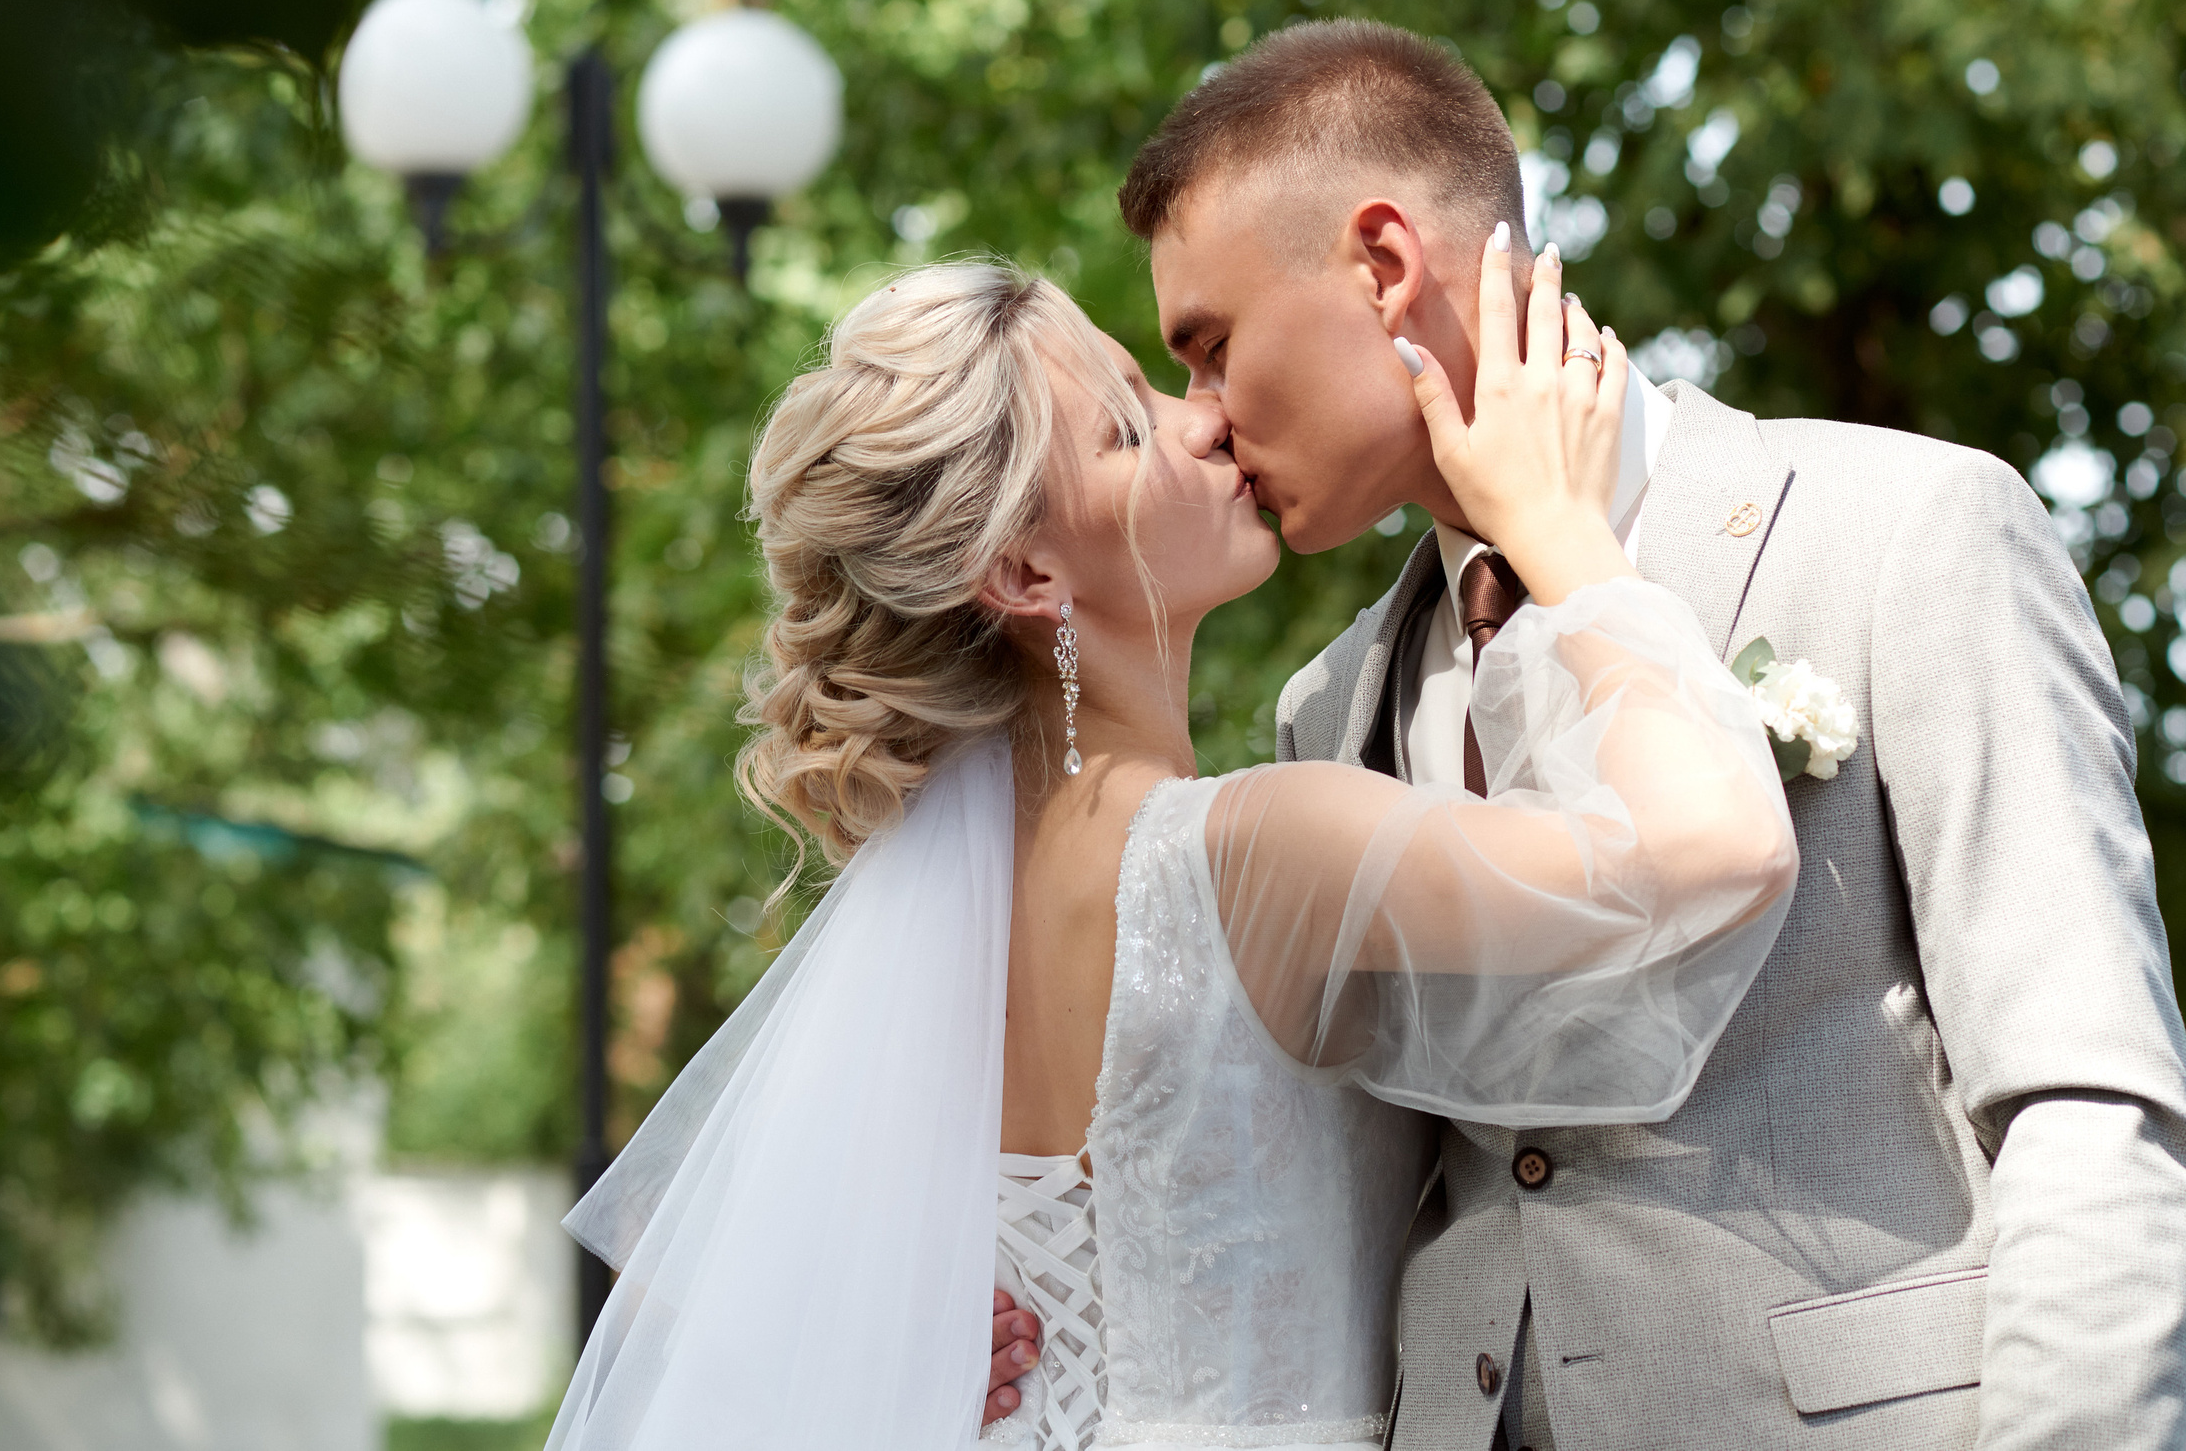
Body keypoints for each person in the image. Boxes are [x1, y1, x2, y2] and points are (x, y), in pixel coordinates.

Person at [1046, 17, 2186, 1449]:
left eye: (1211, 348)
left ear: (1383, 265)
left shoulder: (1907, 531)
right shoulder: (1326, 708)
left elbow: (2088, 1097)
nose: (1203, 421)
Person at [546, 237, 1799, 1450]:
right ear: (1028, 572)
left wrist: (869, 1334)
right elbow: (1704, 852)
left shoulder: (944, 906)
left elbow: (685, 1280)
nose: (1201, 419)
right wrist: (1558, 530)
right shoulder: (1252, 848)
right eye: (1127, 426)